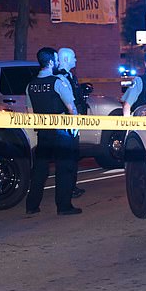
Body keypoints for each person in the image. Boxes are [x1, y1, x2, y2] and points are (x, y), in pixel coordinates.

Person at [25, 47, 81, 216]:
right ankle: (64, 207)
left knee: (40, 170)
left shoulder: (31, 85)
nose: (58, 63)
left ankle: (32, 205)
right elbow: (71, 108)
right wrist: (75, 127)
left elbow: (30, 112)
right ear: (50, 62)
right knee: (64, 168)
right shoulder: (58, 81)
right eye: (56, 60)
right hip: (61, 132)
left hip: (43, 133)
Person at [58, 47, 85, 198]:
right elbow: (69, 102)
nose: (76, 60)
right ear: (67, 59)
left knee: (73, 156)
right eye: (74, 57)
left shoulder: (69, 76)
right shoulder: (61, 78)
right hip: (67, 123)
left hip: (72, 121)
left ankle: (71, 186)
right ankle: (68, 189)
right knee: (68, 157)